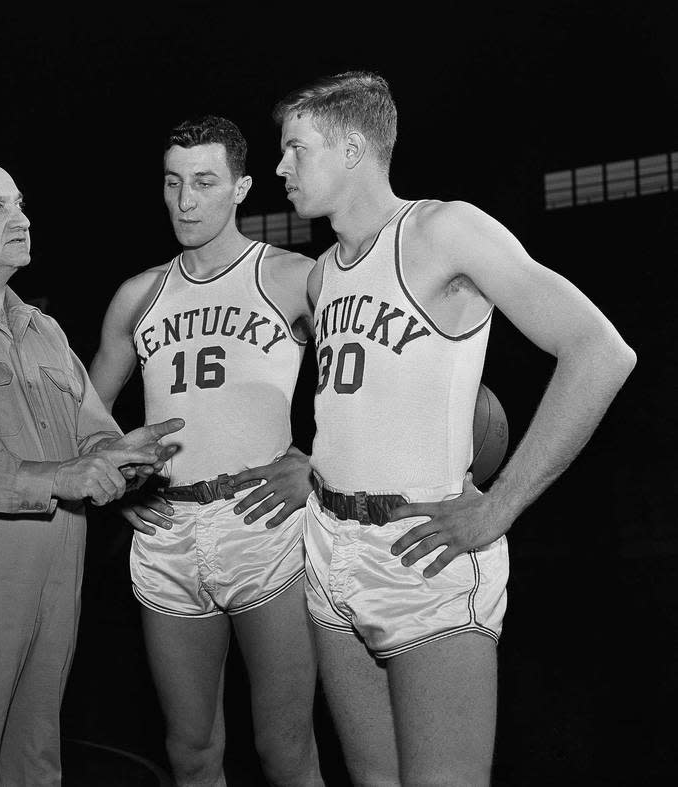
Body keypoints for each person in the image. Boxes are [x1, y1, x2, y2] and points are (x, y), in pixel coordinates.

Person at [267, 71, 636, 785]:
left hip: (423, 554)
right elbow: (366, 402)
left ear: (351, 148)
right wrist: (311, 465)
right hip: (330, 549)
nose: (280, 167)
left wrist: (501, 504)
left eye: (294, 148)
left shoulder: (443, 229)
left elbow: (600, 352)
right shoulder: (321, 277)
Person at [0, 153, 183, 786]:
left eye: (18, 203)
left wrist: (123, 463)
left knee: (35, 768)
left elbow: (92, 435)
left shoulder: (45, 331)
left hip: (56, 588)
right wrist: (59, 477)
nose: (20, 217)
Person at [90, 116, 323, 786]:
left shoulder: (292, 276)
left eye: (204, 181)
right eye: (173, 182)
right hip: (168, 530)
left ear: (241, 187)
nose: (186, 199)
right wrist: (117, 484)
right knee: (190, 751)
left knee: (286, 749)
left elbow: (366, 382)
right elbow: (83, 419)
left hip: (261, 522)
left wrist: (318, 462)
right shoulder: (140, 295)